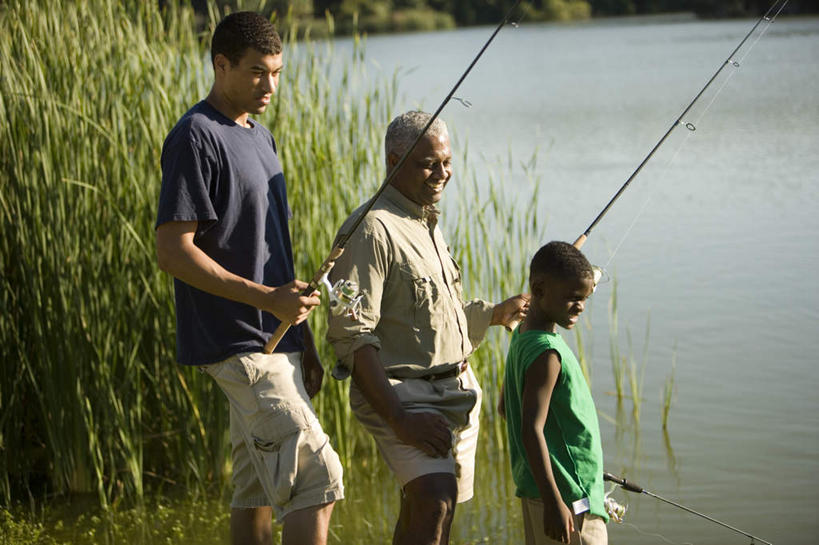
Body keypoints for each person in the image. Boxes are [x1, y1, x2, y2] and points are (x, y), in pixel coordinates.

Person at [155, 12, 343, 545]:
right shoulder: (196, 136)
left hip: (276, 339)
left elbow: (271, 250)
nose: (270, 85)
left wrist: (302, 340)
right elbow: (173, 251)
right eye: (258, 72)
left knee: (255, 489)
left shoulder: (261, 137)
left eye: (277, 72)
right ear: (221, 64)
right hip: (237, 343)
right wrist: (265, 299)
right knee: (317, 480)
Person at [325, 110, 528, 545]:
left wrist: (494, 313)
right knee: (435, 500)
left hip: (456, 390)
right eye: (429, 163)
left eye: (448, 161)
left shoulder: (425, 219)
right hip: (406, 394)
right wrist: (400, 419)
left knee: (432, 509)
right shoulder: (370, 230)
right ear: (395, 160)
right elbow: (351, 336)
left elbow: (437, 314)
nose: (443, 173)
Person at [502, 241, 608, 545]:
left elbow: (506, 408)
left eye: (586, 297)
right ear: (539, 288)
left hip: (541, 491)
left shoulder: (522, 336)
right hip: (568, 500)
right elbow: (530, 428)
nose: (581, 306)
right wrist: (554, 502)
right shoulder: (548, 354)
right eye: (572, 297)